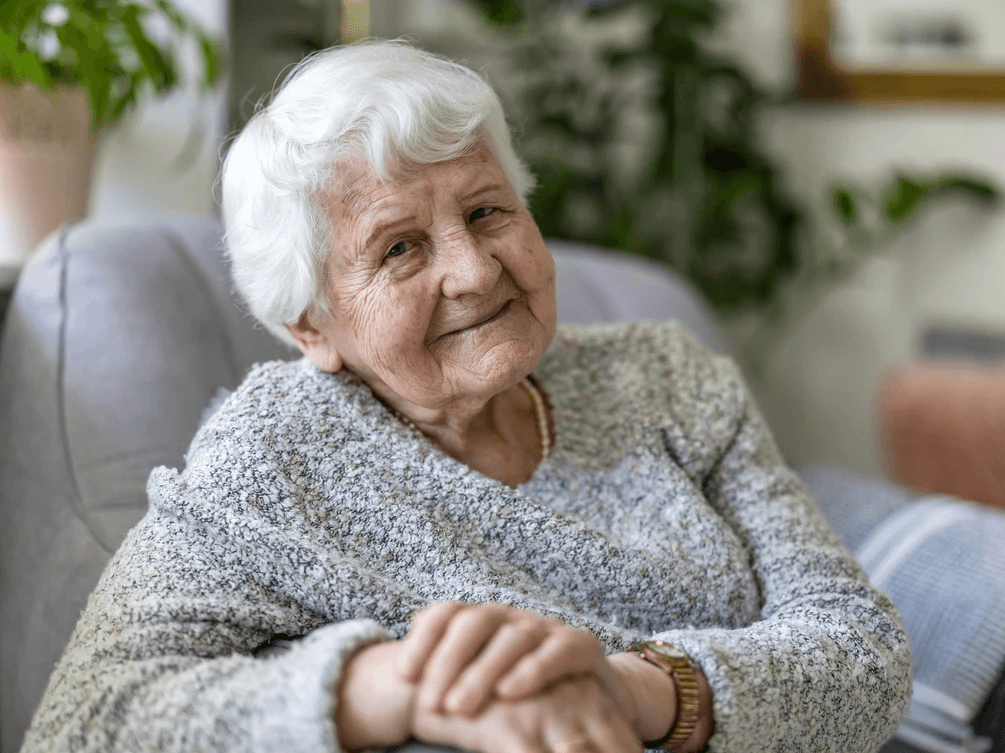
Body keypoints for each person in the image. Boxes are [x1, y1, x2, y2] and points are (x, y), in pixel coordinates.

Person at [21, 40, 911, 753]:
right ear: (312, 327)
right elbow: (86, 721)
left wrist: (633, 689)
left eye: (487, 212)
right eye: (400, 248)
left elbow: (861, 652)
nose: (474, 268)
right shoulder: (273, 455)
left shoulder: (671, 379)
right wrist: (387, 687)